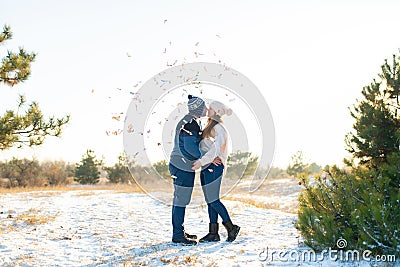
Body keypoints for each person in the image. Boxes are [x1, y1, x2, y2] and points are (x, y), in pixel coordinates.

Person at [192, 101, 240, 242]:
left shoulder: (219, 127)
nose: (208, 109)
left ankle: (231, 227)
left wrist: (202, 161)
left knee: (213, 199)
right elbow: (207, 147)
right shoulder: (209, 126)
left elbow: (217, 148)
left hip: (214, 166)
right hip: (207, 166)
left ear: (217, 111)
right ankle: (213, 233)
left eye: (211, 108)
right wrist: (205, 160)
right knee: (209, 200)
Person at [169, 94, 206, 245]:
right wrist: (205, 157)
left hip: (180, 164)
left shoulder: (190, 121)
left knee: (181, 199)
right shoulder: (190, 123)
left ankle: (179, 231)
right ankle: (178, 235)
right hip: (182, 165)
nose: (205, 109)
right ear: (197, 108)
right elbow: (190, 147)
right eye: (203, 107)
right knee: (181, 200)